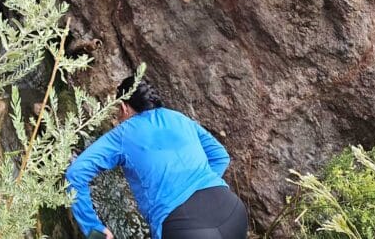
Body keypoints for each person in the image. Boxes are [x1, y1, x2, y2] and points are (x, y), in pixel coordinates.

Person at [65, 76, 248, 239]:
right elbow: (220, 156)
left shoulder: (124, 133)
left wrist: (94, 231)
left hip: (185, 228)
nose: (117, 119)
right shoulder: (179, 118)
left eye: (117, 112)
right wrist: (199, 186)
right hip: (233, 212)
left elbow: (75, 174)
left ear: (124, 107)